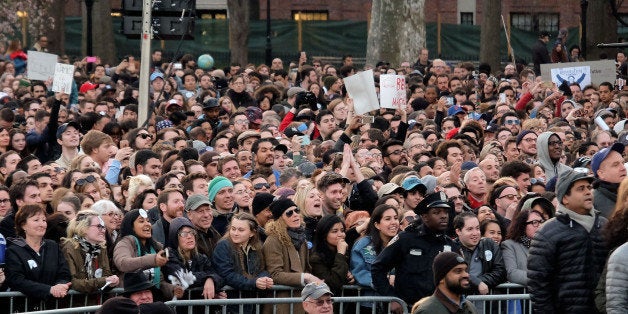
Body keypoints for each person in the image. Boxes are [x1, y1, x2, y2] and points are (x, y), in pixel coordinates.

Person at [527, 170, 608, 313]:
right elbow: (539, 285)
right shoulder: (547, 233)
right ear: (565, 198)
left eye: (589, 187)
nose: (588, 192)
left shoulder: (605, 226)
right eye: (581, 189)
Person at [372, 192, 459, 312]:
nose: (443, 216)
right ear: (424, 216)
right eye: (436, 212)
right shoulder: (406, 239)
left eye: (446, 212)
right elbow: (378, 268)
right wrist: (392, 298)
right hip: (409, 308)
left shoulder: (451, 245)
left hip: (440, 309)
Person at [5, 204, 72, 311]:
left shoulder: (53, 246)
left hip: (52, 308)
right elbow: (17, 280)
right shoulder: (14, 250)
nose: (42, 224)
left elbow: (64, 272)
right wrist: (49, 290)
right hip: (26, 309)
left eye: (44, 220)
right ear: (23, 225)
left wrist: (61, 285)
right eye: (36, 220)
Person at [262, 198, 321, 314]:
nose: (295, 215)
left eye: (297, 210)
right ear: (280, 219)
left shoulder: (301, 239)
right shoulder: (273, 240)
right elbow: (275, 274)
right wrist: (304, 277)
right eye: (289, 213)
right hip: (281, 303)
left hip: (300, 301)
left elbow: (307, 267)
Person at [113, 208, 182, 300]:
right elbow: (123, 263)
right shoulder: (125, 243)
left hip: (148, 302)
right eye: (141, 221)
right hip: (130, 303)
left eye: (148, 221)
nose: (147, 224)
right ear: (131, 226)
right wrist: (152, 260)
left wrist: (172, 289)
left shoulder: (155, 247)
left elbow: (157, 282)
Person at [212, 212, 273, 313]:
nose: (235, 233)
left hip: (253, 306)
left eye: (241, 230)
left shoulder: (258, 247)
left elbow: (263, 269)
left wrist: (264, 279)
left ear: (252, 233)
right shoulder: (223, 246)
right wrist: (254, 283)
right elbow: (227, 275)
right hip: (231, 307)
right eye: (233, 229)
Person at [163, 217, 224, 313]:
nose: (189, 236)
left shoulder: (201, 257)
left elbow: (218, 276)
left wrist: (211, 279)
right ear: (175, 237)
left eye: (192, 232)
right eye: (184, 234)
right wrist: (207, 278)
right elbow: (182, 277)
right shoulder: (169, 255)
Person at [350, 204, 400, 312]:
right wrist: (384, 280)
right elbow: (359, 272)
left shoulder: (403, 242)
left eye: (396, 218)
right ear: (377, 224)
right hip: (370, 304)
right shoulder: (363, 245)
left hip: (398, 302)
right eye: (387, 219)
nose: (393, 222)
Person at [61, 210, 119, 294]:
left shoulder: (101, 247)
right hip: (77, 304)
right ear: (84, 228)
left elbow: (106, 275)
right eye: (99, 226)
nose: (103, 230)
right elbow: (73, 283)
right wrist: (103, 281)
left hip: (96, 302)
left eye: (103, 227)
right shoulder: (70, 247)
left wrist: (112, 282)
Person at [453, 212, 506, 296]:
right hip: (460, 302)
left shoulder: (489, 244)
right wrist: (476, 283)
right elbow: (453, 275)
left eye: (477, 228)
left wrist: (480, 282)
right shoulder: (452, 248)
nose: (475, 233)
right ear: (458, 231)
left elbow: (500, 272)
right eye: (470, 229)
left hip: (488, 302)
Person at [411, 251, 477, 314]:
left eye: (465, 270)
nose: (466, 275)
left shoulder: (470, 307)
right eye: (458, 271)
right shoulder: (427, 311)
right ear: (441, 278)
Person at [309, 215, 352, 296]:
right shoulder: (316, 258)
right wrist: (340, 254)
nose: (340, 234)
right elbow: (333, 283)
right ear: (324, 235)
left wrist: (351, 278)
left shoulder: (343, 251)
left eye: (342, 230)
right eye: (334, 231)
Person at [500, 209, 545, 285]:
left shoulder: (549, 245)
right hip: (523, 294)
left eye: (541, 222)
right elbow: (512, 273)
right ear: (523, 226)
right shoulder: (509, 245)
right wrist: (539, 279)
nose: (540, 226)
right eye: (535, 222)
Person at [592, 143, 626, 218]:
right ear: (601, 174)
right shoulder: (593, 202)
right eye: (615, 165)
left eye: (623, 163)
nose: (623, 168)